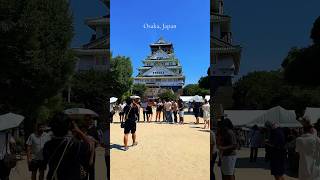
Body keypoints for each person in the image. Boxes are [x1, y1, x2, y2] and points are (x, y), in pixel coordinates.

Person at [43, 113, 95, 180]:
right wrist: (78, 131)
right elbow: (90, 145)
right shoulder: (76, 144)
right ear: (68, 127)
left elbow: (46, 161)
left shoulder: (47, 145)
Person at [85, 115, 99, 180]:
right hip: (83, 152)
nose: (87, 121)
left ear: (91, 120)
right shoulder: (84, 129)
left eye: (88, 120)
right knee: (84, 171)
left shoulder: (95, 130)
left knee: (92, 171)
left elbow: (99, 142)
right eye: (85, 120)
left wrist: (93, 139)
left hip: (92, 153)